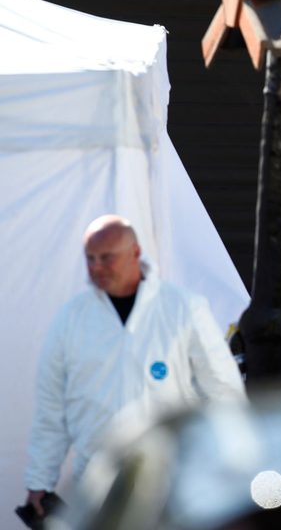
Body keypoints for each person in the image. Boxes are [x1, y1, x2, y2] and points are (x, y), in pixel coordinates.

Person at [24, 215, 247, 513]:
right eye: (90, 258)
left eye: (107, 257)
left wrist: (235, 461)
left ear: (136, 253)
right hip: (96, 483)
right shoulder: (71, 319)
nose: (97, 267)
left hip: (169, 481)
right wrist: (40, 480)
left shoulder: (183, 308)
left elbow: (223, 390)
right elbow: (52, 408)